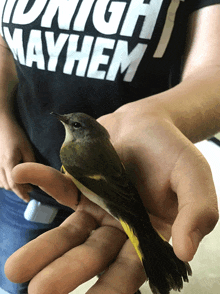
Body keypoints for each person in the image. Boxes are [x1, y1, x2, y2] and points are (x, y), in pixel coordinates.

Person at [0, 0, 220, 293]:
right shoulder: (81, 150)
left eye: (71, 124)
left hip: (107, 201)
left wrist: (159, 116)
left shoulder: (71, 155)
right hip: (23, 190)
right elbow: (4, 45)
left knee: (119, 274)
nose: (62, 120)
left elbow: (214, 66)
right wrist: (2, 120)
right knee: (17, 278)